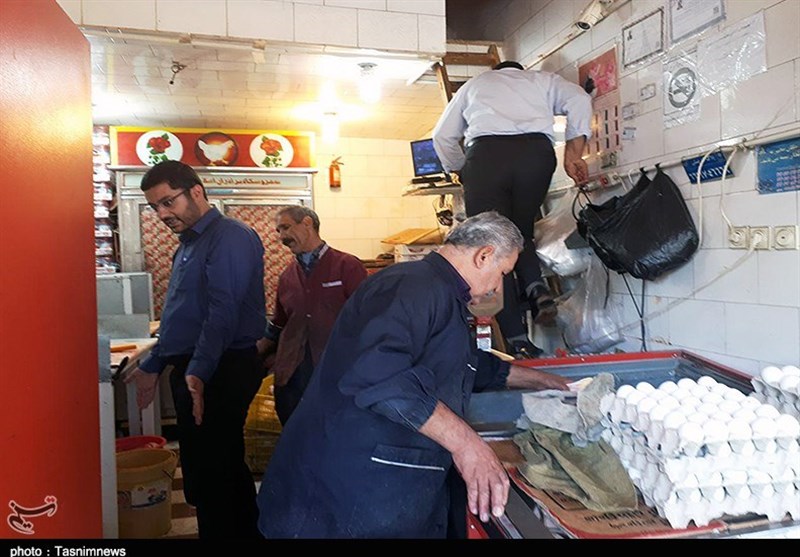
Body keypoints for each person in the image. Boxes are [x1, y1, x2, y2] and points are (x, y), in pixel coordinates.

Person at [256, 211, 570, 539]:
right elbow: (379, 377)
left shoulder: (440, 294)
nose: (496, 287)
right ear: (484, 256)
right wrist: (467, 444)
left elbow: (460, 363)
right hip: (346, 494)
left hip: (376, 490)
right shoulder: (409, 286)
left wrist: (545, 380)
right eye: (502, 273)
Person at [124, 160, 266, 539]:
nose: (161, 214)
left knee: (215, 469)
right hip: (197, 366)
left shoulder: (230, 237)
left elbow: (222, 314)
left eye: (168, 202)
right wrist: (155, 363)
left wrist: (198, 373)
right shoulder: (188, 243)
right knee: (210, 468)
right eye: (155, 207)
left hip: (222, 366)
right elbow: (182, 317)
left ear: (197, 192)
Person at [432, 60, 592, 358]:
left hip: (487, 157)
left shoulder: (476, 84)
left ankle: (518, 341)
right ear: (521, 71)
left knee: (490, 247)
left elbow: (442, 136)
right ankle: (535, 287)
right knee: (521, 230)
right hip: (537, 156)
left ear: (496, 72)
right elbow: (580, 99)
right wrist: (574, 153)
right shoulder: (543, 80)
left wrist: (460, 169)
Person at [257, 205, 368, 425]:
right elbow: (279, 323)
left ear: (307, 223)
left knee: (333, 430)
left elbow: (366, 317)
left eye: (286, 227)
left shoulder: (347, 266)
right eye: (279, 231)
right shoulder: (288, 276)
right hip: (294, 372)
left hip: (336, 370)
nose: (282, 237)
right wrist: (256, 351)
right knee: (294, 428)